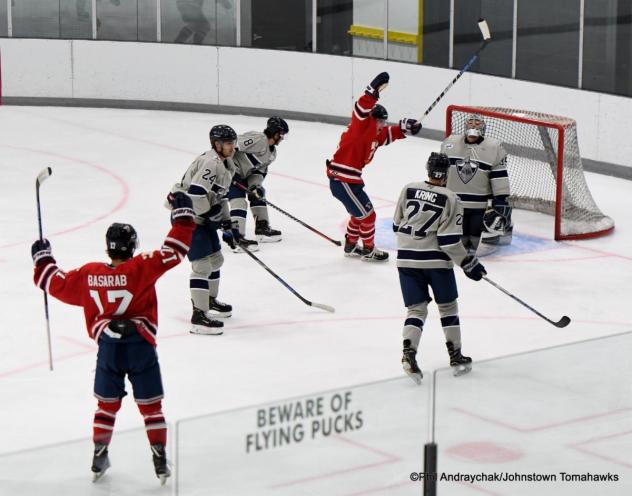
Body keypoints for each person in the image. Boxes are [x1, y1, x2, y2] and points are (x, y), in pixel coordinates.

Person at [30, 192, 196, 484]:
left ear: (108, 248)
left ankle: (99, 454)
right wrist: (182, 217)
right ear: (132, 246)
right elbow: (174, 251)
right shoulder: (140, 267)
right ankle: (159, 457)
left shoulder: (89, 274)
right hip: (140, 345)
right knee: (151, 406)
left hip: (108, 348)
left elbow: (55, 284)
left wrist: (43, 260)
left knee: (106, 405)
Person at [393, 152, 487, 383]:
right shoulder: (451, 197)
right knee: (447, 308)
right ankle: (455, 356)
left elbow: (397, 225)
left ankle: (409, 354)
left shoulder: (409, 189)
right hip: (435, 262)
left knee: (416, 310)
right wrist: (468, 263)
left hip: (405, 259)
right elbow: (448, 241)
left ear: (427, 169)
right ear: (447, 173)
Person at [327, 71, 422, 262]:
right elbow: (361, 108)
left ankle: (351, 244)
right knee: (369, 216)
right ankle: (369, 249)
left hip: (349, 180)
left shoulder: (374, 134)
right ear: (371, 119)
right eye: (379, 121)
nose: (381, 125)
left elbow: (388, 134)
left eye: (383, 122)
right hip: (342, 179)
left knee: (359, 214)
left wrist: (405, 127)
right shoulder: (360, 126)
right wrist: (372, 92)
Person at [168, 124, 240, 334]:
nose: (232, 147)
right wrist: (212, 216)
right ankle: (198, 315)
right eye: (228, 143)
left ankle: (209, 300)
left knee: (216, 260)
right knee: (201, 266)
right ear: (216, 144)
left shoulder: (226, 163)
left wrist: (228, 224)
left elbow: (220, 198)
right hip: (187, 218)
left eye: (233, 143)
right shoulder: (211, 163)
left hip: (202, 218)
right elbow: (195, 195)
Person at [440, 113, 512, 256]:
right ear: (465, 125)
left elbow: (499, 176)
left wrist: (500, 199)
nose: (473, 125)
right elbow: (441, 172)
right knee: (457, 239)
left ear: (483, 127)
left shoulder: (494, 147)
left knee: (475, 239)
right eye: (471, 122)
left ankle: (503, 231)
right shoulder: (450, 143)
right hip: (454, 204)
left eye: (477, 123)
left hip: (479, 206)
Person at [227, 117, 289, 252]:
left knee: (258, 194)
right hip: (227, 172)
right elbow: (230, 146)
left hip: (243, 175)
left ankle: (262, 229)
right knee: (239, 201)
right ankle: (237, 238)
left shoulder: (272, 153)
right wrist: (228, 169)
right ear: (275, 133)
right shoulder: (258, 138)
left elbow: (259, 172)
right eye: (282, 134)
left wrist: (255, 186)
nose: (282, 138)